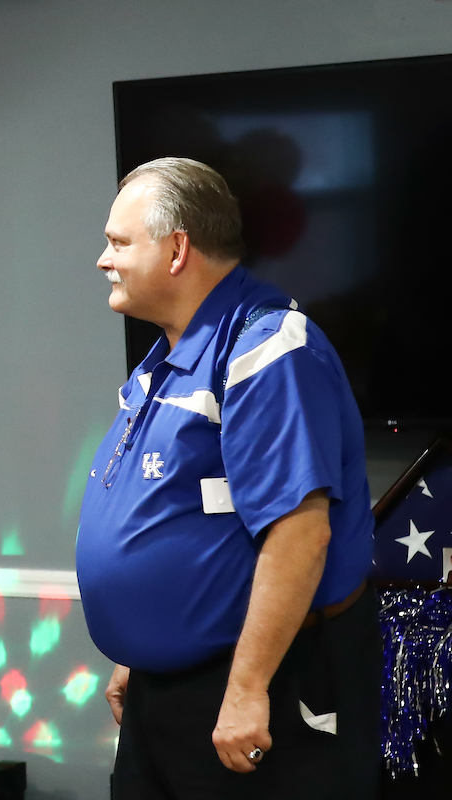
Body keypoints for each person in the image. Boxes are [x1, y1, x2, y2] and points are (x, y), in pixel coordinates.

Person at [76, 157, 380, 799]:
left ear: (177, 250)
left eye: (119, 243)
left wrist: (247, 689)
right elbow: (175, 512)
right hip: (166, 688)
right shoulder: (168, 358)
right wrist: (141, 650)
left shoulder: (268, 350)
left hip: (252, 686)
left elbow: (300, 536)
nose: (104, 260)